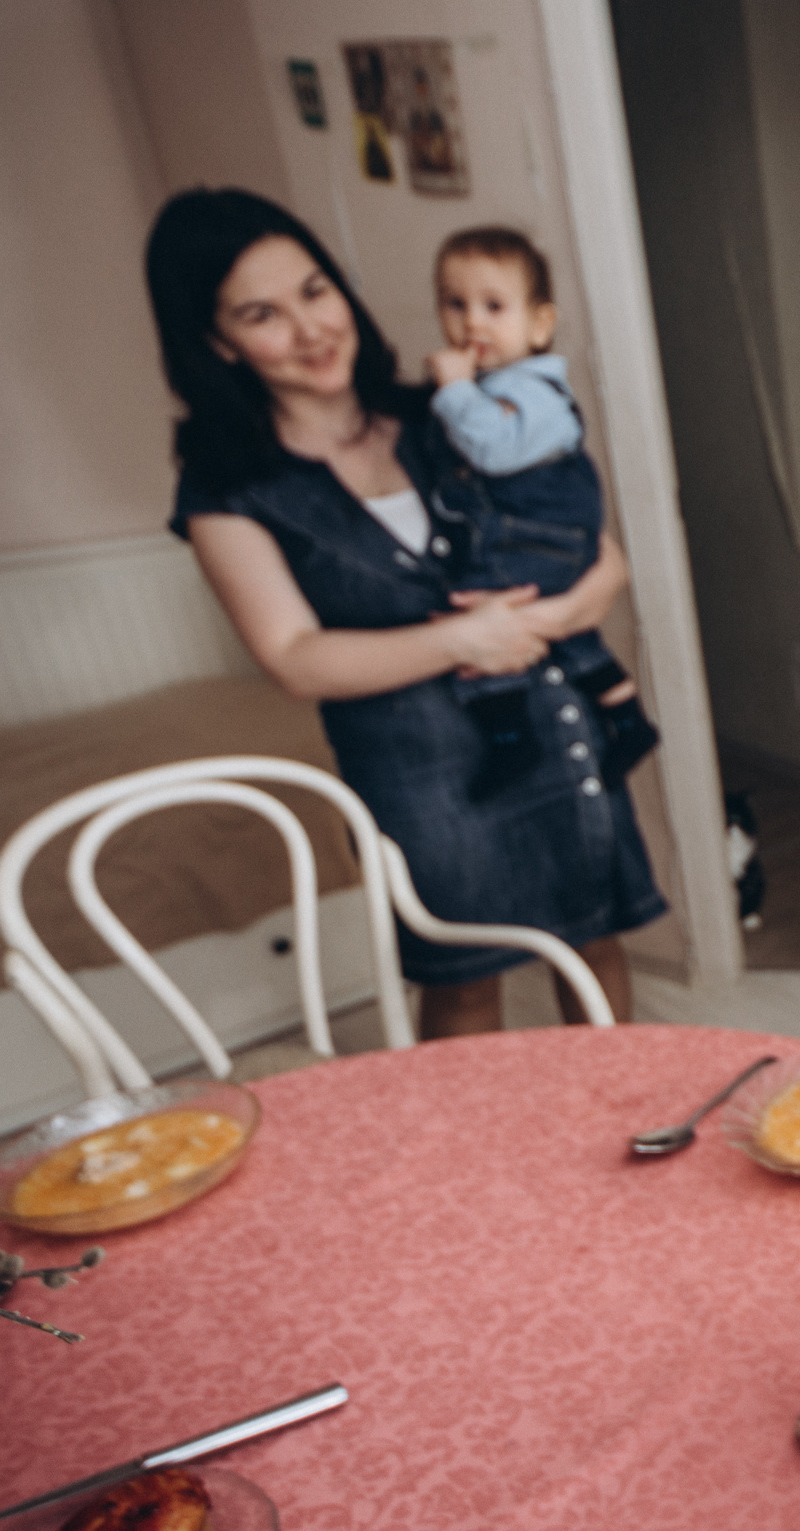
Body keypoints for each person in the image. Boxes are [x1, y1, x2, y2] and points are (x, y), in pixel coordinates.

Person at [145, 188, 665, 1039]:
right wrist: (462, 637)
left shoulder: (448, 413)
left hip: (554, 723)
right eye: (263, 314)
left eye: (316, 290)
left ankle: (621, 1126)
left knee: (593, 939)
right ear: (217, 342)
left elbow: (598, 551)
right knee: (463, 983)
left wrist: (567, 609)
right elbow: (293, 655)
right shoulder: (226, 487)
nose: (313, 329)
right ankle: (468, 1165)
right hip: (421, 771)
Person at [422, 225, 659, 800]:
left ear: (540, 325)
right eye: (456, 305)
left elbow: (494, 452)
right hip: (550, 537)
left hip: (539, 532)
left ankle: (509, 738)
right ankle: (627, 718)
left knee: (483, 609)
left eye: (494, 306)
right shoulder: (506, 385)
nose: (472, 323)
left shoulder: (528, 392)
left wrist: (454, 391)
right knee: (571, 636)